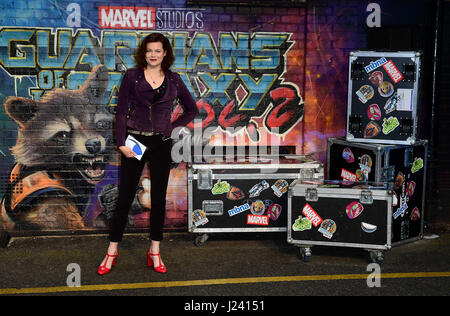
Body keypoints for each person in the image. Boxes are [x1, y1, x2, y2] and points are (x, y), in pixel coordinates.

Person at [97, 33, 198, 275]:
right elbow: (121, 112)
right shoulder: (132, 76)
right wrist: (121, 143)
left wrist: (171, 129)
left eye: (157, 50)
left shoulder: (174, 79)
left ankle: (154, 250)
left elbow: (191, 109)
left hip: (161, 144)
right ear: (144, 53)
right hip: (135, 141)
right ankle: (112, 251)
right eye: (149, 50)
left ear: (165, 54)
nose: (152, 54)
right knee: (125, 197)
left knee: (159, 199)